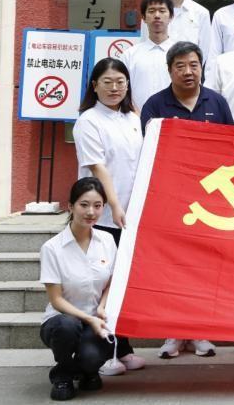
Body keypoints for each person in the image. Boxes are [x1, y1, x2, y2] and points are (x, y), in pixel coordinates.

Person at [138, 41, 233, 361]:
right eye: (180, 66)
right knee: (173, 267)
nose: (188, 71)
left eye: (193, 65)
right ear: (169, 71)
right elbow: (149, 152)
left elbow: (231, 148)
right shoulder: (155, 105)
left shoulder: (217, 102)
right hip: (172, 200)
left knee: (203, 268)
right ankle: (174, 332)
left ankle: (200, 329)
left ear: (202, 67)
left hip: (211, 202)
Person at [72, 58, 146, 376]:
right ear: (94, 86)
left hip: (132, 213)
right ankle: (101, 354)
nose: (114, 88)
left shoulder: (132, 118)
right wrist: (114, 206)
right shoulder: (88, 121)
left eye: (120, 82)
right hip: (102, 216)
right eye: (107, 82)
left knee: (122, 282)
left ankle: (122, 348)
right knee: (102, 284)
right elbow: (98, 168)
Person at [38, 177, 118, 401]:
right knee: (67, 325)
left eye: (97, 205)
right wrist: (89, 319)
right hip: (61, 321)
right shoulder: (52, 248)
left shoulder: (107, 240)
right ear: (71, 206)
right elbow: (56, 300)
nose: (91, 212)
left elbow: (112, 282)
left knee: (92, 358)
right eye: (84, 205)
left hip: (97, 321)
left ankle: (86, 370)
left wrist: (101, 307)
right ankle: (63, 374)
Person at [118, 0, 176, 112]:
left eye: (162, 11)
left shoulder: (181, 54)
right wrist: (136, 116)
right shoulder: (129, 55)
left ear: (171, 16)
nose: (157, 15)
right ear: (144, 18)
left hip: (174, 119)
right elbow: (121, 90)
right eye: (151, 11)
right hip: (136, 119)